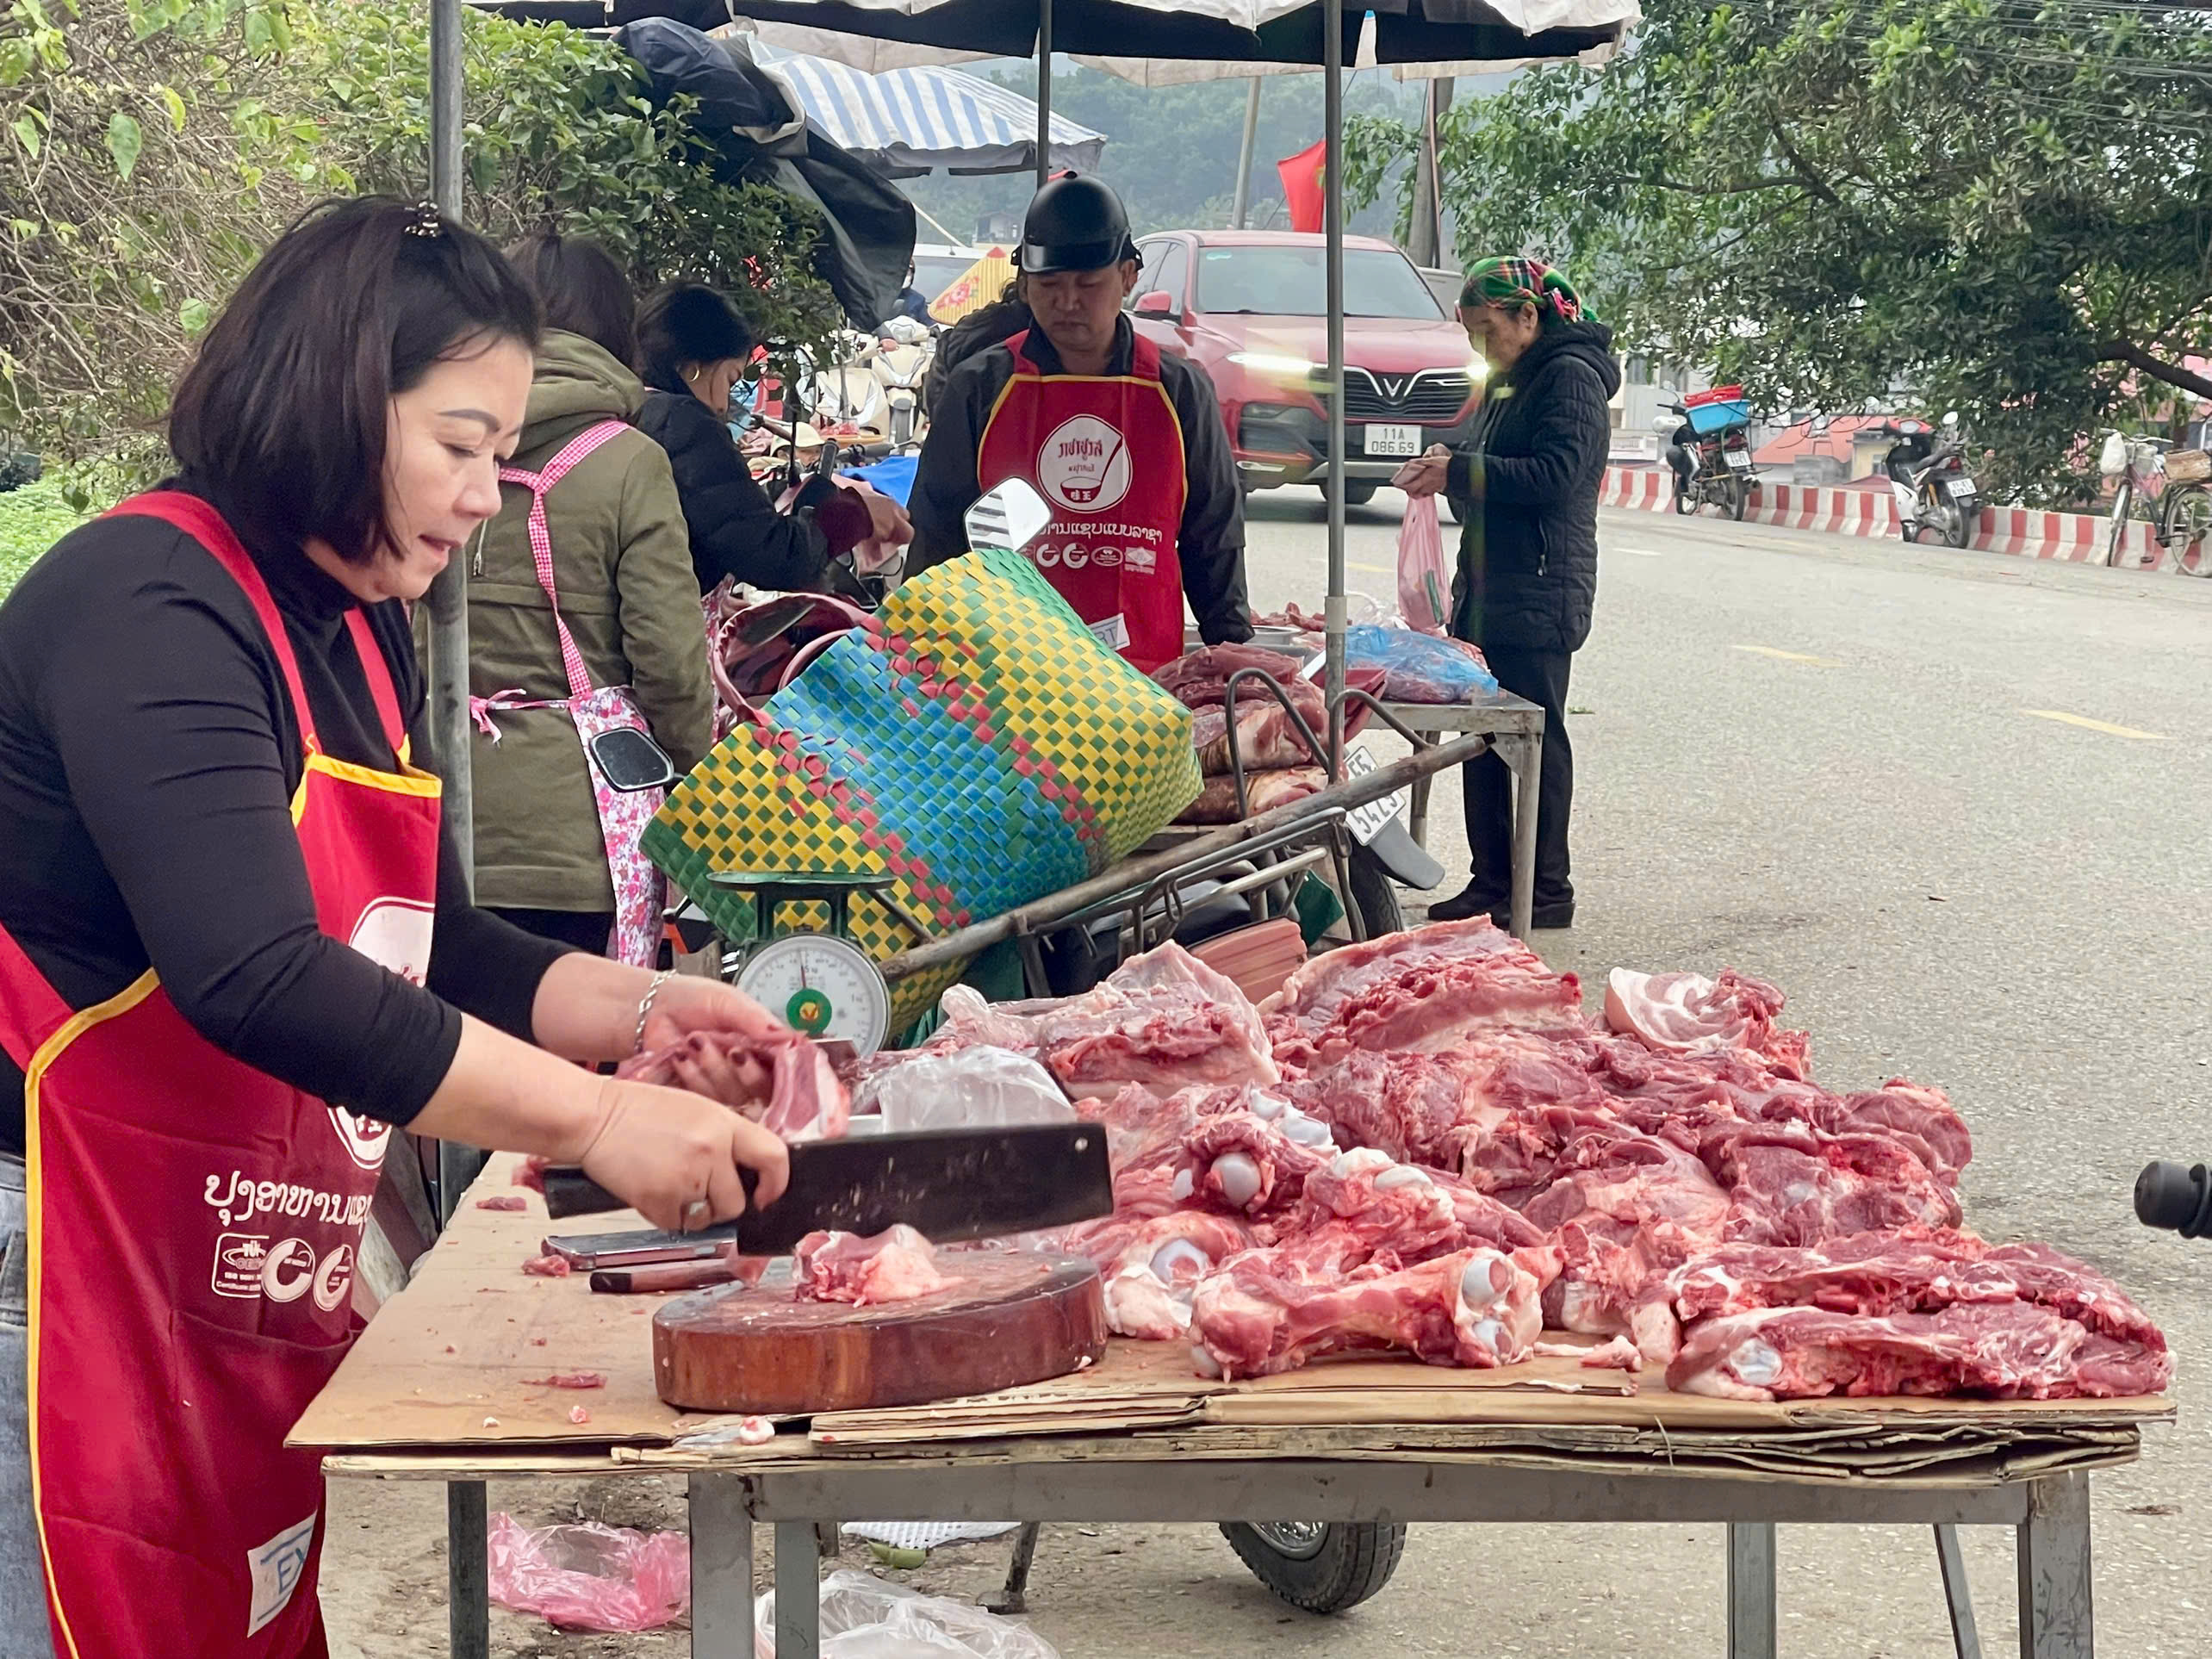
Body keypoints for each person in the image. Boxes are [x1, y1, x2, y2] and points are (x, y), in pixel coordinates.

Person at [0, 196, 794, 1659]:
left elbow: (426, 936)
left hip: (219, 1264)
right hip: (50, 1264)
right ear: (330, 400)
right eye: (460, 445)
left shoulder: (355, 614)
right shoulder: (147, 604)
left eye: (501, 453)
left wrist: (644, 1012)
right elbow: (259, 974)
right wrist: (596, 1121)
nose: (486, 495)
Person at [469, 232, 717, 963]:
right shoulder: (629, 462)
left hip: (433, 815)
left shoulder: (440, 440)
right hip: (574, 838)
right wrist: (689, 770)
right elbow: (670, 662)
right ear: (616, 331)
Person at [906, 174, 1252, 671]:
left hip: (1142, 678)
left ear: (1129, 276)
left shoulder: (1180, 391)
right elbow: (937, 532)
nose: (1067, 302)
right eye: (1049, 285)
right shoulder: (979, 386)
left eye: (1088, 284)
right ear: (1025, 284)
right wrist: (921, 654)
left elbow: (1213, 538)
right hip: (1006, 672)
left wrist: (1235, 656)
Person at [1399, 257, 1619, 932]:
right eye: (1471, 334)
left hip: (1541, 586)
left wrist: (1460, 471)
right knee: (1486, 735)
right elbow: (1485, 464)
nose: (1480, 346)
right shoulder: (1508, 379)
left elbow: (1555, 474)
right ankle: (1493, 880)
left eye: (1488, 330)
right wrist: (1447, 466)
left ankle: (1545, 888)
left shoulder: (1570, 376)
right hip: (1491, 584)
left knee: (1535, 739)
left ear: (1529, 315)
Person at [633, 283, 902, 594]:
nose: (723, 405)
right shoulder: (685, 424)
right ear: (694, 367)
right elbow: (775, 557)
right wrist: (855, 515)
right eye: (730, 379)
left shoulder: (634, 407)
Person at [920, 270, 1028, 423]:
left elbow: (936, 398)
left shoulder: (970, 328)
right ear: (1024, 288)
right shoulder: (1044, 338)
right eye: (1050, 284)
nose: (1062, 302)